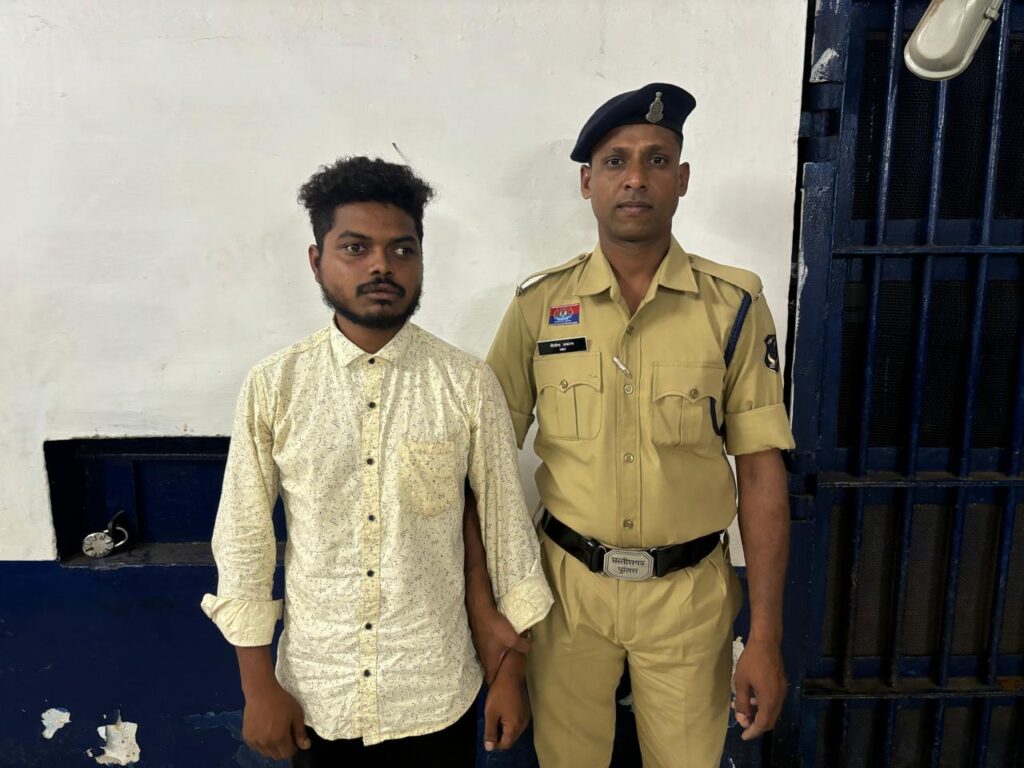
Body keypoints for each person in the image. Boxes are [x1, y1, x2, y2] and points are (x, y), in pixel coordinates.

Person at [201, 156, 552, 766]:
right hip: (318, 692)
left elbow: (506, 534)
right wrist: (257, 686)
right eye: (355, 248)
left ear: (421, 260)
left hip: (435, 691)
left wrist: (510, 672)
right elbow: (244, 540)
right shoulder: (275, 386)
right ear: (318, 260)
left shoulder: (466, 384)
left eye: (402, 250)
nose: (381, 266)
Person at [484, 83, 796, 766]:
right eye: (615, 161)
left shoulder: (734, 305)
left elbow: (761, 471)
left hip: (689, 596)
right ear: (587, 183)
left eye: (656, 160)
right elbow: (486, 468)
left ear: (681, 180)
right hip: (566, 591)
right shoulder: (539, 306)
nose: (635, 178)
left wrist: (766, 636)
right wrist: (503, 629)